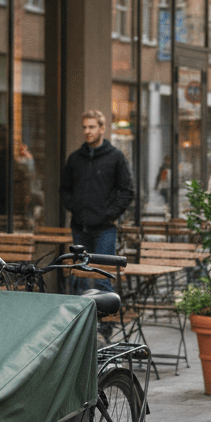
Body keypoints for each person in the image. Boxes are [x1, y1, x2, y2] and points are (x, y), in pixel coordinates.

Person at [59, 109, 135, 292]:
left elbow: (127, 191)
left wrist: (109, 214)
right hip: (79, 227)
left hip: (105, 229)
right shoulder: (75, 159)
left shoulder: (115, 157)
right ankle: (82, 319)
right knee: (79, 278)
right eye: (84, 127)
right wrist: (74, 208)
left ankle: (106, 320)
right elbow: (64, 189)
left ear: (102, 128)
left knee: (102, 276)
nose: (87, 131)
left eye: (92, 127)